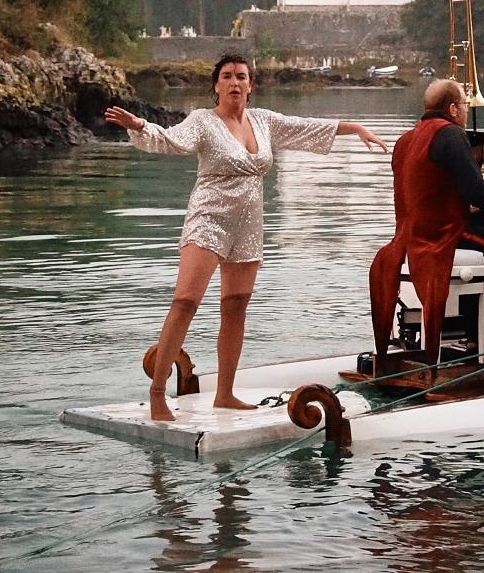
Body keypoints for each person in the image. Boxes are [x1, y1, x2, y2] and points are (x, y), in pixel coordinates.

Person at [104, 54, 388, 421]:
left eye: (241, 76)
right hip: (209, 220)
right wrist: (140, 124)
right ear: (216, 85)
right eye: (227, 76)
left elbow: (305, 127)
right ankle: (158, 393)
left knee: (235, 308)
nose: (234, 82)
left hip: (249, 225)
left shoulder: (264, 120)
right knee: (186, 302)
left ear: (251, 85)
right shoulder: (202, 121)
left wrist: (354, 128)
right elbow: (172, 141)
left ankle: (224, 394)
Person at [369, 80, 484, 368]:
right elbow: (475, 190)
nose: (466, 110)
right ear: (452, 109)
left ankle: (472, 337)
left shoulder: (406, 139)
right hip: (440, 234)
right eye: (465, 105)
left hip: (408, 235)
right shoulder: (451, 134)